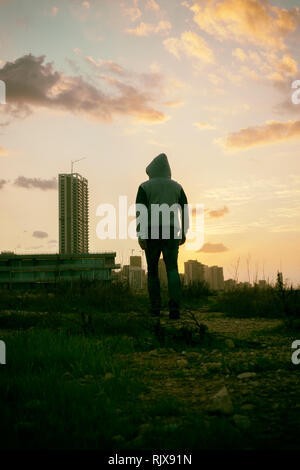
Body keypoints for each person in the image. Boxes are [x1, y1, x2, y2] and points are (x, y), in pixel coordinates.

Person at [135, 153, 189, 319]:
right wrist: (184, 232)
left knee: (152, 271)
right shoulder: (177, 187)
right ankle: (174, 309)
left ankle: (155, 308)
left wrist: (140, 234)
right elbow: (185, 210)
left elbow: (140, 212)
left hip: (151, 231)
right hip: (171, 231)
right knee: (172, 269)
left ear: (151, 170)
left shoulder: (144, 187)